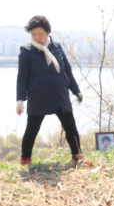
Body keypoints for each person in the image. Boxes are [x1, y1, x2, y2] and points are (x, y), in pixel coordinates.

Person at [17, 15, 85, 166]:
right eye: (33, 35)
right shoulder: (26, 51)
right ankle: (25, 158)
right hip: (38, 96)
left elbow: (67, 70)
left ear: (48, 32)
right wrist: (20, 100)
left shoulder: (57, 47)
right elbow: (22, 77)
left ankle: (77, 155)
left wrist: (76, 90)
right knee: (32, 129)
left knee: (70, 127)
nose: (37, 38)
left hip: (60, 94)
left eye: (40, 34)